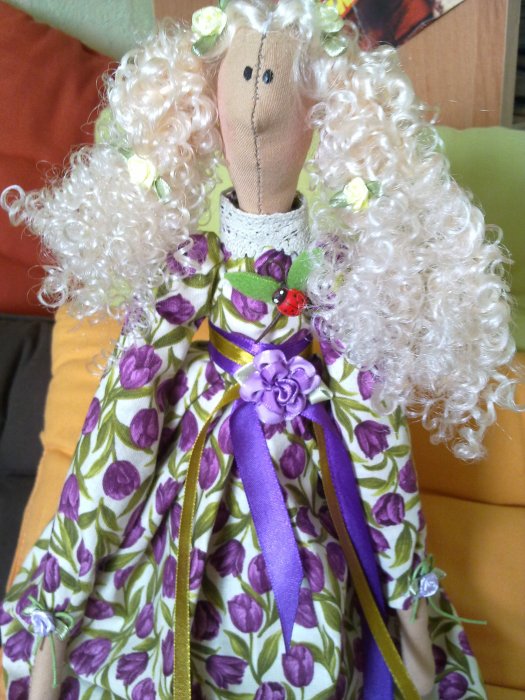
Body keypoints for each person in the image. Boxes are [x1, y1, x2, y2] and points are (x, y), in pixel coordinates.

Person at [1, 1, 514, 698]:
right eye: (240, 73)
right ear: (202, 109)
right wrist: (65, 583)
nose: (256, 88)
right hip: (197, 459)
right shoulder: (190, 268)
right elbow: (125, 411)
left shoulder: (329, 276)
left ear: (323, 115)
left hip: (308, 464)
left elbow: (374, 428)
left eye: (279, 77)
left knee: (319, 581)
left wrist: (409, 595)